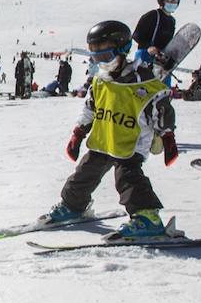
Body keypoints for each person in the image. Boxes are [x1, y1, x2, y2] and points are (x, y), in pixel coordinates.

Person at [39, 20, 178, 239]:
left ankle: (147, 218)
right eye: (95, 57)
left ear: (123, 49)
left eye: (105, 56)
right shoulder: (99, 82)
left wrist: (167, 137)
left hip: (131, 143)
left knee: (128, 179)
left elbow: (161, 110)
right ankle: (73, 206)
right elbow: (89, 109)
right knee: (84, 174)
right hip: (103, 140)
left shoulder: (144, 82)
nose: (101, 62)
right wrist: (78, 133)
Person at [133, 0, 180, 70]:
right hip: (145, 57)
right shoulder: (153, 15)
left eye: (175, 0)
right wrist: (149, 47)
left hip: (160, 61)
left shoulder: (172, 21)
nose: (173, 2)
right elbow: (137, 35)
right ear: (162, 0)